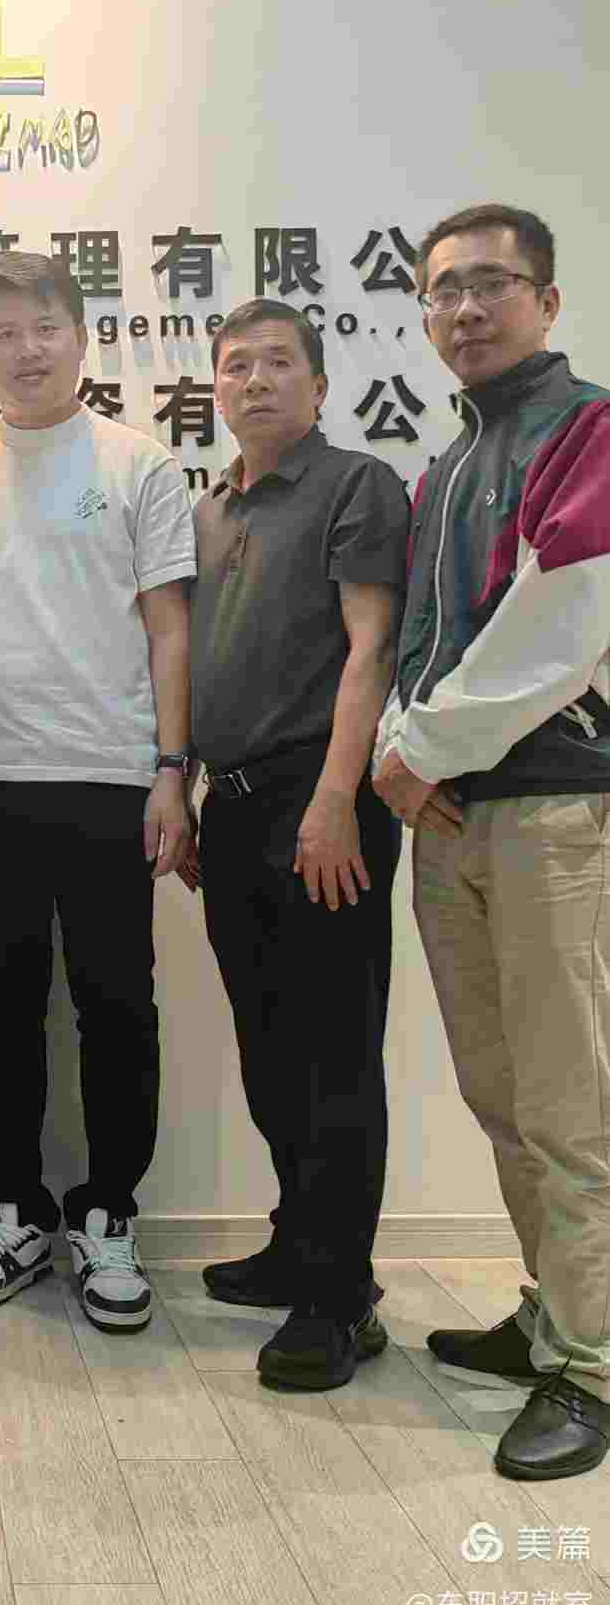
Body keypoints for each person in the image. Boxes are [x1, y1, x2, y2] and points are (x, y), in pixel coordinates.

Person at [0, 251, 195, 1331]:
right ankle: (14, 1209)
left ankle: (109, 1213)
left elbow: (169, 628)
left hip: (113, 779)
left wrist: (170, 769)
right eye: (4, 332)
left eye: (45, 328)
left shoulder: (138, 464)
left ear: (81, 337)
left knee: (118, 1005)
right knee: (2, 1008)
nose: (25, 349)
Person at [374, 204, 610, 1478]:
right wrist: (400, 756)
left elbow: (557, 632)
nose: (465, 308)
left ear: (548, 300)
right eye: (443, 290)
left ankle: (595, 1363)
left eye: (491, 284)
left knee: (571, 1102)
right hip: (454, 816)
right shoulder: (450, 462)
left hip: (552, 811)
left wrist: (414, 752)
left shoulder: (590, 429)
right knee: (502, 1090)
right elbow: (420, 641)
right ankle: (553, 1313)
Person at [185, 298, 409, 1390]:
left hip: (321, 805)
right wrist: (189, 791)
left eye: (280, 363)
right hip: (231, 808)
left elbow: (372, 649)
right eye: (237, 365)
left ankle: (338, 1297)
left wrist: (333, 800)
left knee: (333, 1051)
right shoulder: (211, 507)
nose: (257, 380)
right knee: (270, 1045)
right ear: (216, 390)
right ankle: (297, 1242)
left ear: (318, 386)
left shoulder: (355, 485)